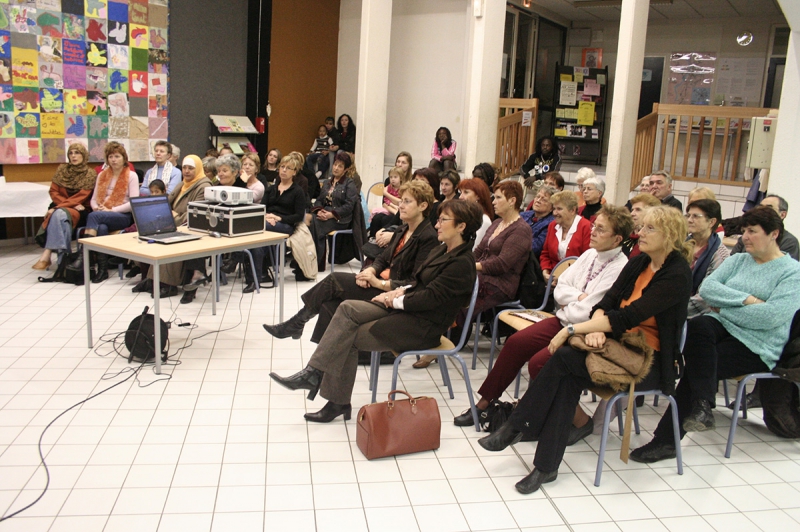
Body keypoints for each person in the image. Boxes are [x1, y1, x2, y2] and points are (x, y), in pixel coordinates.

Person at [478, 206, 692, 494]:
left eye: (649, 229)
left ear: (670, 235)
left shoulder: (677, 273)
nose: (640, 233)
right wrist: (595, 326)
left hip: (647, 360)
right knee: (565, 369)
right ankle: (543, 464)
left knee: (563, 361)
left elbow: (630, 315)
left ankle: (522, 430)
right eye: (643, 227)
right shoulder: (640, 263)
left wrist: (577, 330)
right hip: (616, 344)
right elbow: (609, 302)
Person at [268, 200, 481, 423]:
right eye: (437, 219)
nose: (437, 225)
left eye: (443, 220)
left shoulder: (461, 263)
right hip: (409, 310)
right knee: (347, 308)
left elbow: (430, 298)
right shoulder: (442, 249)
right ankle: (314, 375)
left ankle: (333, 398)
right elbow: (418, 282)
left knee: (346, 335)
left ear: (461, 227)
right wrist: (396, 292)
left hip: (423, 326)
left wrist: (394, 300)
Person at [630, 206, 800, 464]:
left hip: (758, 346)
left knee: (698, 366)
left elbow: (771, 317)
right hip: (719, 331)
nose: (744, 237)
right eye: (743, 231)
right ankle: (701, 407)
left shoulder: (792, 272)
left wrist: (726, 307)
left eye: (752, 231)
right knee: (698, 327)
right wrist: (748, 300)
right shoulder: (738, 260)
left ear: (774, 234)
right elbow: (708, 289)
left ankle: (670, 438)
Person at [453, 205, 632, 426]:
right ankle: (485, 403)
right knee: (515, 343)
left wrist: (572, 301)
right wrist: (578, 297)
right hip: (563, 320)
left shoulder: (621, 267)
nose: (593, 231)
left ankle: (560, 419)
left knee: (539, 363)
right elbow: (560, 288)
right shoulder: (589, 254)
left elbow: (591, 310)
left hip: (585, 331)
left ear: (617, 239)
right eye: (594, 226)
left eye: (601, 229)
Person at [263, 180, 439, 343]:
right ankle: (319, 362)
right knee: (328, 304)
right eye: (401, 200)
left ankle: (297, 325)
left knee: (334, 280)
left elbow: (415, 282)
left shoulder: (427, 237)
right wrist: (370, 271)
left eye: (407, 202)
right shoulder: (403, 229)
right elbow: (382, 259)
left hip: (394, 295)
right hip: (381, 283)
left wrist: (379, 282)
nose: (400, 205)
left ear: (423, 206)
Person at [414, 181, 531, 369]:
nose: (493, 201)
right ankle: (431, 334)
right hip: (481, 274)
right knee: (448, 283)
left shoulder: (521, 230)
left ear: (512, 201)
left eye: (499, 197)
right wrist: (464, 262)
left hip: (501, 284)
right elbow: (477, 251)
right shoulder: (497, 223)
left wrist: (467, 266)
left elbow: (502, 264)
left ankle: (437, 340)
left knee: (458, 291)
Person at [137, 155, 213, 302]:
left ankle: (169, 283)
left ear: (198, 169)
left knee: (172, 240)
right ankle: (153, 278)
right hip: (171, 222)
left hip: (190, 227)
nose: (186, 171)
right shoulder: (183, 184)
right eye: (184, 167)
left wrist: (173, 218)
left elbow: (196, 214)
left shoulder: (204, 187)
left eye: (191, 168)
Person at [76, 142, 139, 283]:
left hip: (123, 216)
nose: (113, 159)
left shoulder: (132, 176)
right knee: (101, 227)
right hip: (102, 214)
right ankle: (102, 270)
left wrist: (111, 210)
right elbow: (93, 199)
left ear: (124, 158)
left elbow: (133, 203)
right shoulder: (102, 175)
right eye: (110, 156)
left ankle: (84, 259)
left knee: (93, 217)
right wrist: (96, 207)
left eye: (117, 156)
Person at [33, 143, 97, 279]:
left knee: (58, 213)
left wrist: (58, 207)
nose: (74, 156)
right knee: (61, 217)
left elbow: (82, 196)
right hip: (68, 207)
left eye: (77, 153)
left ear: (84, 155)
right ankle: (63, 261)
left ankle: (48, 253)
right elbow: (53, 191)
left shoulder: (90, 173)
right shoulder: (62, 170)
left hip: (80, 210)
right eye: (71, 153)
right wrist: (66, 206)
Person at [312, 152, 359, 270]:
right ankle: (308, 260)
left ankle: (317, 263)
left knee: (316, 225)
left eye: (340, 166)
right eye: (335, 165)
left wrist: (331, 214)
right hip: (325, 213)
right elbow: (319, 200)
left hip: (341, 219)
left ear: (346, 169)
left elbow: (349, 206)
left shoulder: (349, 183)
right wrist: (319, 210)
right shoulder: (327, 182)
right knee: (309, 221)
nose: (336, 168)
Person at [686, 199, 730, 318]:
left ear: (711, 222)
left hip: (695, 315)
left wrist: (674, 309)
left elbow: (706, 297)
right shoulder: (682, 245)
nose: (689, 220)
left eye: (696, 216)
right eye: (688, 215)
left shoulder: (720, 255)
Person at [539, 191, 592, 284]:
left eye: (559, 209)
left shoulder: (586, 227)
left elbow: (588, 261)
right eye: (554, 209)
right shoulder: (552, 226)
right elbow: (545, 253)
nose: (555, 213)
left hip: (576, 280)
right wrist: (545, 270)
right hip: (553, 278)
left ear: (572, 210)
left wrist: (563, 279)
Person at [732, 195, 799, 260]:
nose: (762, 212)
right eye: (760, 208)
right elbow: (731, 261)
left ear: (782, 214)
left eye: (768, 208)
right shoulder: (745, 237)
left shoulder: (789, 242)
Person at [457, 177, 494, 249]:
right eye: (460, 192)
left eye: (466, 192)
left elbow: (473, 248)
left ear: (478, 196)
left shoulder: (484, 220)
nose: (460, 197)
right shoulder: (462, 216)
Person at [521, 186, 556, 257]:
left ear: (552, 207)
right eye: (537, 197)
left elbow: (536, 247)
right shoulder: (523, 215)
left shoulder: (551, 224)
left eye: (544, 200)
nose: (538, 200)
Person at [622, 193, 660, 257]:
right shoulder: (625, 235)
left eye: (638, 210)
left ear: (651, 213)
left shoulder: (653, 243)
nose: (632, 214)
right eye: (632, 210)